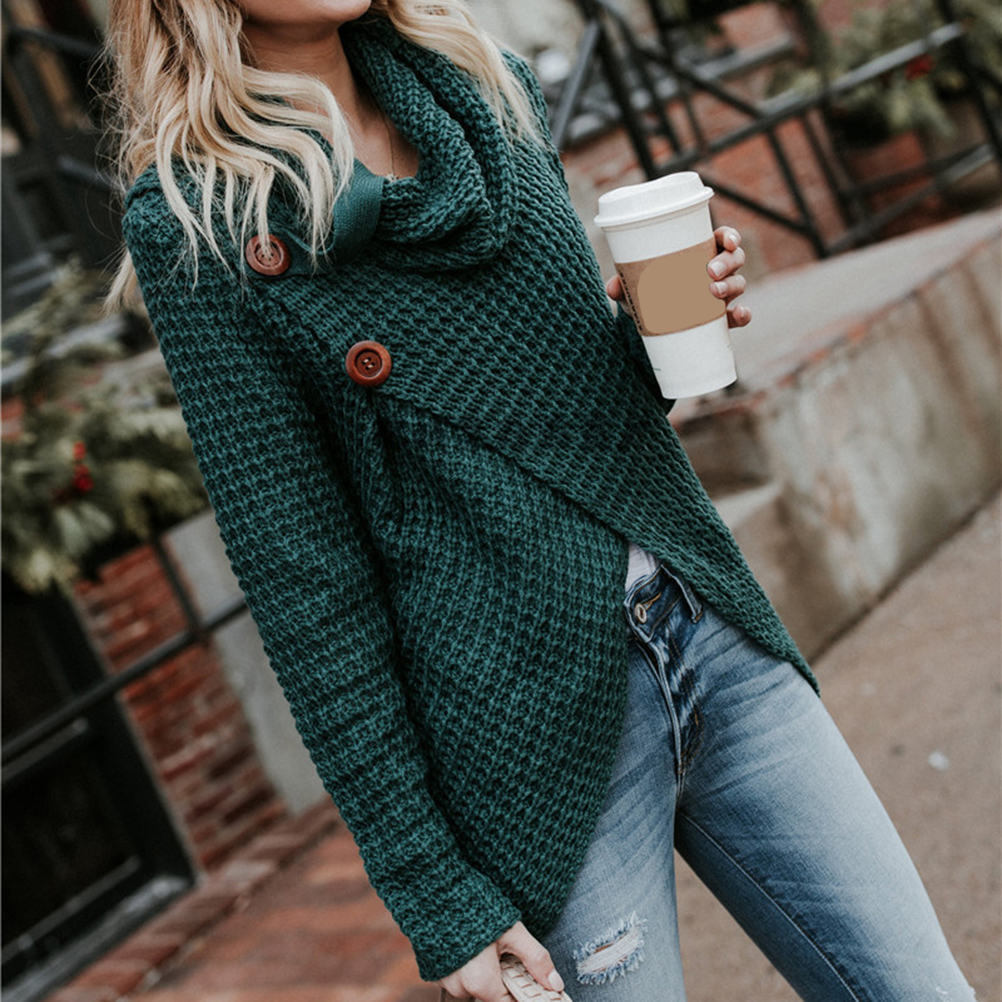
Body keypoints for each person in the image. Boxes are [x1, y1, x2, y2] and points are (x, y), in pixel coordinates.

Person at [106, 1, 976, 999]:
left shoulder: (487, 94)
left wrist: (658, 328)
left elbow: (584, 413)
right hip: (532, 742)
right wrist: (436, 895)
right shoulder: (198, 220)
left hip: (708, 632)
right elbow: (308, 595)